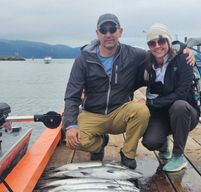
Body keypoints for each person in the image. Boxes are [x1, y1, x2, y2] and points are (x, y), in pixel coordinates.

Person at [64, 14, 194, 169]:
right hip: (92, 112)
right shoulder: (84, 59)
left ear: (120, 31)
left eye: (112, 29)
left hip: (120, 111)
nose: (108, 34)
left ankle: (127, 154)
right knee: (73, 140)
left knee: (141, 111)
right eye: (103, 30)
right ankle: (99, 144)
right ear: (97, 33)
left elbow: (160, 50)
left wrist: (183, 49)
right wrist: (71, 125)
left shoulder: (133, 55)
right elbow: (72, 95)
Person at [142, 23, 200, 172]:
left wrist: (151, 102)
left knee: (179, 105)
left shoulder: (183, 59)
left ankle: (179, 156)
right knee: (150, 142)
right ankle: (163, 144)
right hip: (161, 113)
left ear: (168, 41)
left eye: (161, 41)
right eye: (152, 43)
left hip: (185, 112)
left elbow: (181, 94)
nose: (157, 46)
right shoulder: (148, 61)